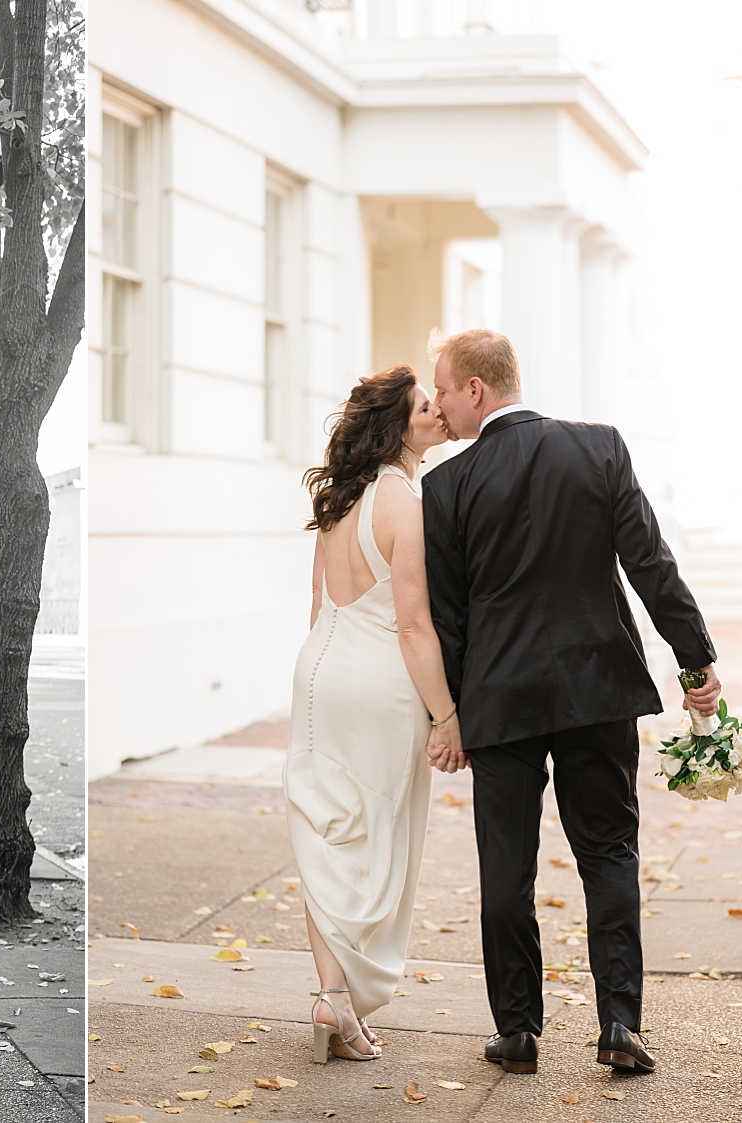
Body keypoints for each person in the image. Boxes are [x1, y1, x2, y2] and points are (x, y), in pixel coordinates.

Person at [425, 328, 720, 1076]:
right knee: (610, 853)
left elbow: (447, 616)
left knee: (506, 870)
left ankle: (518, 1029)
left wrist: (450, 712)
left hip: (500, 698)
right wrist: (696, 659)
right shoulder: (600, 448)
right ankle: (620, 1022)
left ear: (477, 390)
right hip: (598, 688)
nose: (438, 405)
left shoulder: (446, 486)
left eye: (444, 389)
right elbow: (650, 561)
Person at [284, 365, 463, 1063]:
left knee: (326, 834)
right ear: (398, 425)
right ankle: (344, 999)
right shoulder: (400, 500)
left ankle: (333, 996)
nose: (438, 414)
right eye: (426, 408)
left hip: (317, 674)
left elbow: (316, 607)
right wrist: (446, 714)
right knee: (380, 839)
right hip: (379, 682)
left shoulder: (339, 499)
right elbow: (414, 626)